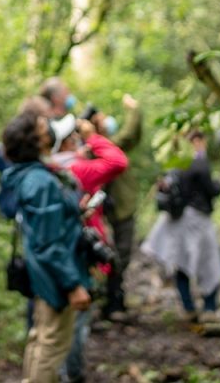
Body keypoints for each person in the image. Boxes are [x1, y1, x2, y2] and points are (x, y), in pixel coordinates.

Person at [0, 112, 91, 383]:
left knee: (41, 337)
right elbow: (49, 243)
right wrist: (72, 284)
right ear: (34, 140)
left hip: (45, 273)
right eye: (43, 127)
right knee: (52, 345)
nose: (50, 129)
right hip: (54, 277)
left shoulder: (33, 175)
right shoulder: (39, 181)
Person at [50, 113, 128, 383]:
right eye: (73, 136)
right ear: (65, 143)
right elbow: (118, 162)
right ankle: (72, 374)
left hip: (56, 252)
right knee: (77, 320)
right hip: (79, 252)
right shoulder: (78, 169)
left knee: (58, 318)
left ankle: (61, 371)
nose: (77, 139)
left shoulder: (53, 168)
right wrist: (93, 137)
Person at [142, 130, 220, 323]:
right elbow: (211, 189)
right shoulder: (199, 163)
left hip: (180, 221)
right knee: (210, 262)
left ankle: (189, 308)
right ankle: (209, 308)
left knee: (181, 263)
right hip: (198, 219)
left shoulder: (175, 163)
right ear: (197, 141)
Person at [87, 95, 143, 320]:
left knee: (119, 253)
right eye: (101, 119)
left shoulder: (106, 146)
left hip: (118, 208)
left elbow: (133, 137)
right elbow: (129, 134)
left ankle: (113, 299)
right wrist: (134, 109)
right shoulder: (103, 148)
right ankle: (112, 302)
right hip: (117, 210)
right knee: (118, 254)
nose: (107, 120)